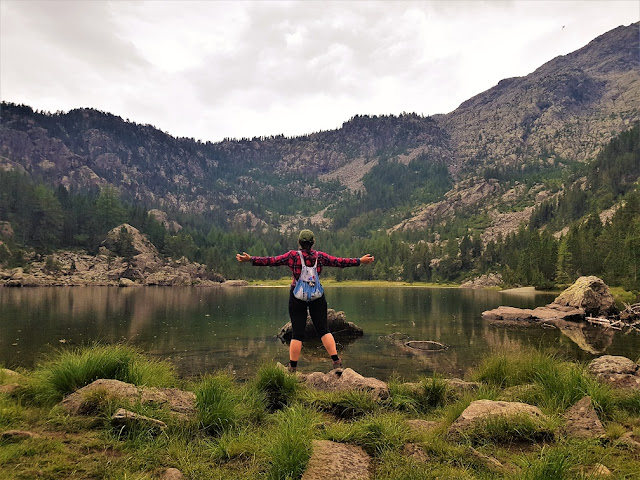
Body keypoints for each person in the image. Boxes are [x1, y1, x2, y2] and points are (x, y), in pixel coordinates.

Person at [236, 229, 374, 372]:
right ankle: (336, 362)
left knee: (297, 333)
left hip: (297, 296)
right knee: (324, 330)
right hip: (317, 296)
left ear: (299, 243)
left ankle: (292, 368)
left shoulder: (292, 256)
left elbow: (271, 261)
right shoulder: (320, 257)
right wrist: (360, 261)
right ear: (313, 242)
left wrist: (250, 259)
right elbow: (340, 262)